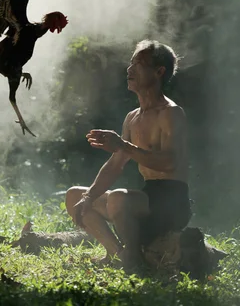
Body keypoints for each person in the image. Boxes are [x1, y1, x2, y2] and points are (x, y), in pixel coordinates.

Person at [65, 39, 192, 270]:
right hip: (145, 198)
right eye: (131, 62)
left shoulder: (171, 113)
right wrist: (89, 197)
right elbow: (116, 164)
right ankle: (119, 255)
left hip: (172, 201)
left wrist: (123, 145)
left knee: (118, 198)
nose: (130, 69)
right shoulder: (132, 117)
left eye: (139, 63)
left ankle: (134, 257)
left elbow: (170, 163)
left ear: (159, 71)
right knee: (75, 196)